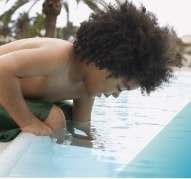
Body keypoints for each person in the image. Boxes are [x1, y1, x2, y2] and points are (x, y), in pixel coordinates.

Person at [0, 1, 179, 142]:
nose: (115, 95)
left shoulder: (85, 87)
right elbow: (2, 69)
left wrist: (89, 147)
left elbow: (81, 125)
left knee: (70, 119)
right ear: (103, 60)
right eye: (119, 87)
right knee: (55, 118)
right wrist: (27, 122)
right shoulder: (59, 56)